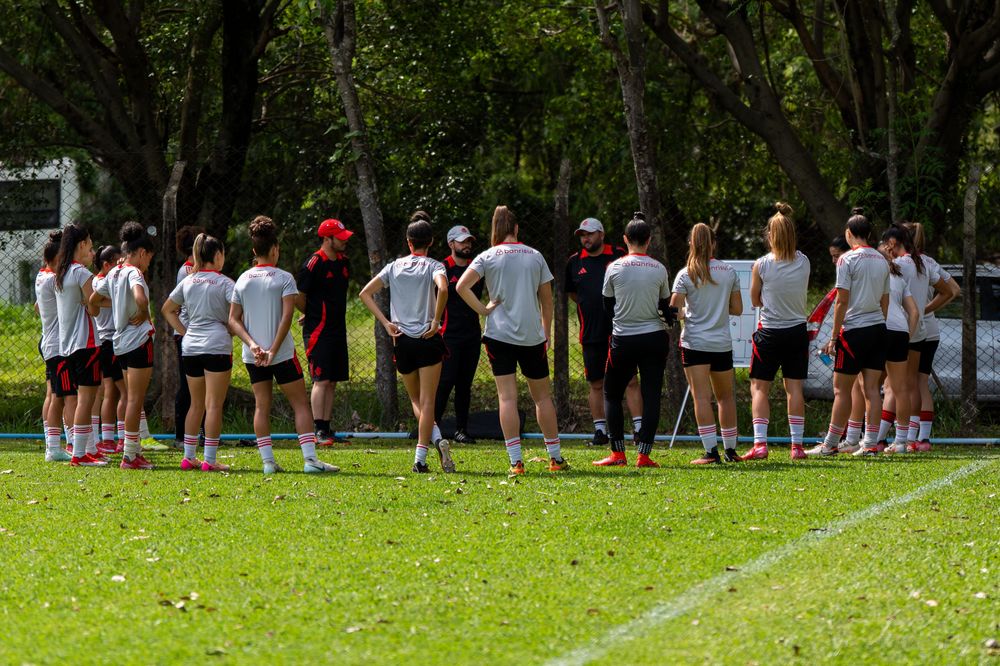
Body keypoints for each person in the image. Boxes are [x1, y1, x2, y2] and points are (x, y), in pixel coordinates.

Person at [456, 205, 569, 474]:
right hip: (532, 337)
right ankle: (555, 458)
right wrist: (545, 332)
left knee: (507, 398)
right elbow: (547, 301)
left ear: (495, 230)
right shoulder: (535, 256)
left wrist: (483, 310)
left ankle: (516, 462)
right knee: (542, 398)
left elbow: (461, 286)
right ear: (516, 228)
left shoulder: (487, 256)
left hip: (498, 336)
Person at [229, 215, 339, 475]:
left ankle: (268, 463)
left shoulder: (243, 279)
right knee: (300, 404)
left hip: (254, 356)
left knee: (261, 406)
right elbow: (287, 316)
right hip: (282, 354)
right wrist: (274, 350)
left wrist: (253, 346)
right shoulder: (284, 278)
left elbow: (233, 320)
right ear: (275, 249)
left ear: (254, 250)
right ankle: (310, 460)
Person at [360, 217, 454, 473]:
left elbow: (364, 293)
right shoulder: (435, 265)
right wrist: (436, 320)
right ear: (431, 242)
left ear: (408, 242)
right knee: (428, 402)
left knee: (416, 400)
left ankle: (434, 442)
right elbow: (444, 289)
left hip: (402, 340)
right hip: (428, 339)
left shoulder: (394, 266)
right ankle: (420, 458)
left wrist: (386, 323)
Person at [592, 215, 673, 468]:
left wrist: (622, 319)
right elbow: (664, 306)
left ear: (625, 240)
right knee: (651, 395)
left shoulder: (614, 267)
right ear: (649, 240)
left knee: (612, 393)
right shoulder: (659, 268)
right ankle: (644, 454)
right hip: (654, 338)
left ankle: (618, 453)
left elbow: (607, 304)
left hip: (624, 339)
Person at [809, 208, 889, 457]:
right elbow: (885, 300)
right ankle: (870, 444)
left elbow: (841, 300)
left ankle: (830, 444)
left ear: (848, 233)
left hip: (854, 330)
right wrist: (880, 325)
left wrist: (834, 337)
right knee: (872, 389)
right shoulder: (882, 259)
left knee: (841, 390)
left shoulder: (847, 259)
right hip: (878, 328)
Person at [741, 203, 810, 461]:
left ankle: (760, 444)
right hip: (797, 331)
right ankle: (797, 446)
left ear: (770, 236)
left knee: (760, 388)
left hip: (769, 332)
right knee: (794, 388)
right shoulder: (804, 261)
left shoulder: (761, 265)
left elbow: (755, 300)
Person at [565, 216, 641, 447]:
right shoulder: (574, 262)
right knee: (596, 384)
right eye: (582, 235)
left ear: (601, 234)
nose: (585, 239)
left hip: (622, 331)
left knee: (630, 381)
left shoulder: (619, 255)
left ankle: (639, 429)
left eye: (590, 234)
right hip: (591, 334)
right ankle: (600, 431)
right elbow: (574, 294)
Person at [670, 223, 743, 465]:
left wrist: (688, 312)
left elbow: (674, 311)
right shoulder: (729, 271)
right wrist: (718, 308)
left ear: (691, 243)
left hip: (695, 343)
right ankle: (731, 450)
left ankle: (711, 452)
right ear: (713, 243)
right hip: (721, 343)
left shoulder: (685, 274)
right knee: (726, 397)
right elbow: (737, 309)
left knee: (701, 398)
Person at [163, 233, 236, 472]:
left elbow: (167, 309)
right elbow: (237, 314)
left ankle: (189, 457)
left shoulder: (188, 281)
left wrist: (185, 332)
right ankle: (210, 460)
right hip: (216, 345)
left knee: (196, 404)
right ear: (217, 255)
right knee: (213, 404)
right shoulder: (225, 283)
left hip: (191, 347)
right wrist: (229, 329)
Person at [91, 222, 157, 469]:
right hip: (138, 341)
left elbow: (93, 300)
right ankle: (130, 456)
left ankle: (133, 451)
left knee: (131, 398)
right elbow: (140, 297)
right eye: (149, 258)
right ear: (142, 253)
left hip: (120, 343)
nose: (148, 263)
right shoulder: (133, 273)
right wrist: (143, 312)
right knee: (135, 400)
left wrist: (113, 308)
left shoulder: (113, 273)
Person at [899, 222, 960, 451]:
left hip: (910, 327)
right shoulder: (929, 262)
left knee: (902, 383)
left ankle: (901, 436)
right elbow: (954, 289)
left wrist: (920, 310)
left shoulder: (900, 263)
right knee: (921, 383)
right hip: (930, 329)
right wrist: (927, 309)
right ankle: (922, 439)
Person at [296, 218, 353, 447]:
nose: (345, 241)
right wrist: (310, 314)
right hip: (318, 332)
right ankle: (317, 430)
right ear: (327, 239)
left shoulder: (344, 262)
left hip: (338, 330)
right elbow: (299, 296)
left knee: (332, 381)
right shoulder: (314, 263)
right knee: (321, 379)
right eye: (340, 238)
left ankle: (327, 428)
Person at [54, 223, 105, 466]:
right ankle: (80, 454)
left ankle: (85, 449)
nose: (92, 251)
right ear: (82, 244)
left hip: (68, 345)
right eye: (90, 246)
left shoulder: (62, 273)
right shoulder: (82, 273)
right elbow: (94, 307)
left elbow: (87, 302)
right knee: (86, 400)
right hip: (86, 343)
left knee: (80, 399)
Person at [434, 222, 483, 444]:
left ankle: (461, 430)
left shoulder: (476, 268)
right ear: (451, 244)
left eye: (469, 241)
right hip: (449, 335)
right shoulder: (442, 268)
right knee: (445, 382)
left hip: (472, 335)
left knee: (465, 384)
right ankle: (432, 428)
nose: (467, 245)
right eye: (462, 242)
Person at [876, 226, 920, 454]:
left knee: (867, 388)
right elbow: (915, 313)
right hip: (901, 332)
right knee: (900, 388)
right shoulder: (899, 277)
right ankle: (901, 442)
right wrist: (907, 336)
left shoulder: (875, 276)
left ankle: (868, 439)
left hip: (880, 330)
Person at [36, 230, 76, 462]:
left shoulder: (42, 276)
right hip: (59, 346)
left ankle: (52, 445)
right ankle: (72, 444)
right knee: (68, 396)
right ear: (58, 259)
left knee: (54, 395)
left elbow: (37, 307)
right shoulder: (54, 280)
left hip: (49, 342)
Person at [92, 245, 127, 455]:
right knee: (125, 392)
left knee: (112, 392)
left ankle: (107, 439)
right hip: (109, 341)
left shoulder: (104, 280)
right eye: (117, 263)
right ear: (106, 265)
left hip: (109, 342)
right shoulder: (101, 282)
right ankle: (121, 438)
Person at [172, 225, 204, 448]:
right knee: (187, 385)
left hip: (196, 334)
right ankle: (181, 435)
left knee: (201, 385)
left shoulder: (197, 270)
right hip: (186, 334)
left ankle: (200, 432)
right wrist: (186, 333)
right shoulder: (187, 271)